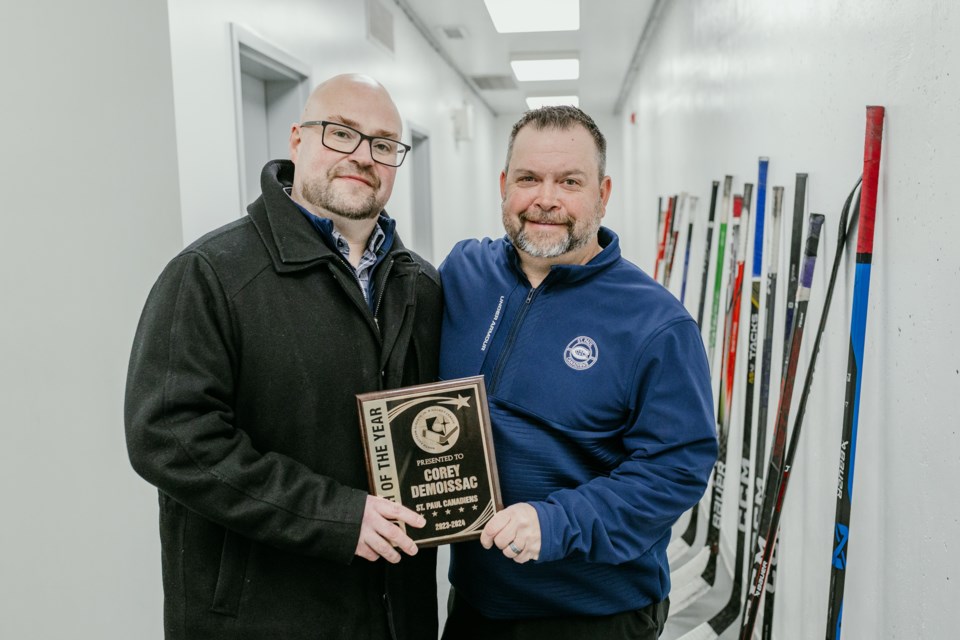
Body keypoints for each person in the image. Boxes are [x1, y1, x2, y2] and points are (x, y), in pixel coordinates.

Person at [125, 74, 441, 640]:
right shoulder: (212, 273)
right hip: (261, 614)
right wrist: (336, 517)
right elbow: (169, 436)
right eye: (342, 133)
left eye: (384, 144)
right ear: (298, 140)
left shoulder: (419, 284)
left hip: (393, 610)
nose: (363, 156)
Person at [438, 105, 719, 639]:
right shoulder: (463, 273)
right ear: (503, 185)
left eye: (569, 181)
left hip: (593, 614)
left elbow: (676, 468)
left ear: (603, 193)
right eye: (528, 179)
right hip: (475, 603)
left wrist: (556, 523)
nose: (546, 198)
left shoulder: (656, 323)